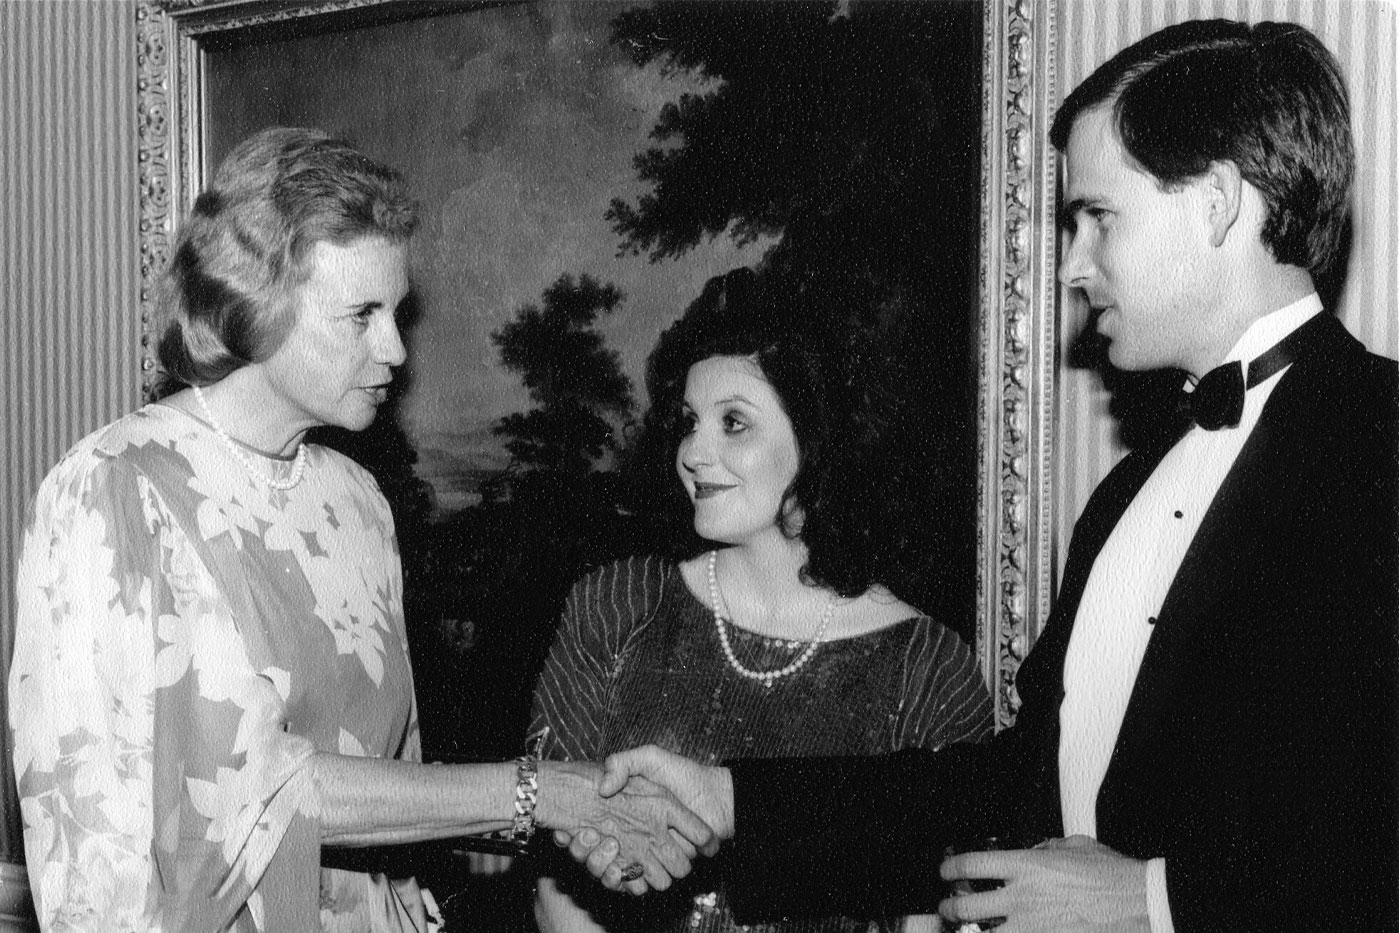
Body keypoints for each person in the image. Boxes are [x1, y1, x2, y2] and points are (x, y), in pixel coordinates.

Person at [575, 19, 1399, 932]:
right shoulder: (1126, 497)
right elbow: (1011, 785)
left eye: (1097, 217)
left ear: (1215, 203)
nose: (1075, 266)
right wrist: (730, 798)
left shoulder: (1382, 446)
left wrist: (1155, 900)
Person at [6, 127, 713, 933]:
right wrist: (543, 792)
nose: (395, 348)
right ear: (257, 306)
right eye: (361, 314)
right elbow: (239, 798)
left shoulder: (356, 501)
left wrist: (575, 814)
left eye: (398, 311)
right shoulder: (112, 488)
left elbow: (387, 789)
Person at [530, 270, 993, 933]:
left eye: (734, 422)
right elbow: (555, 876)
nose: (694, 450)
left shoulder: (928, 667)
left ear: (818, 437)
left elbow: (938, 909)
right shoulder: (619, 606)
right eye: (689, 422)